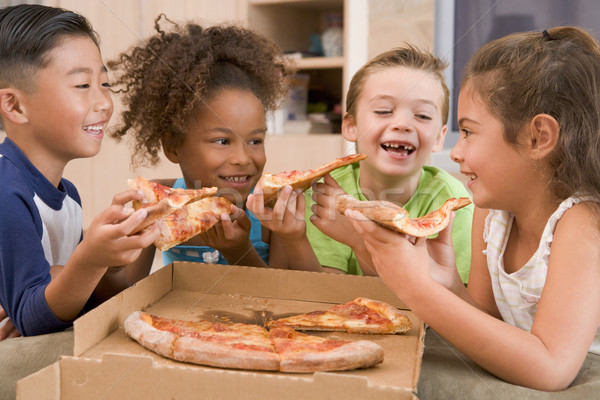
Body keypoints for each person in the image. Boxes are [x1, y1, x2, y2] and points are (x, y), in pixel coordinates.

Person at [345, 26, 600, 391]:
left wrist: (415, 288)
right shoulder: (492, 213)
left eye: (468, 132)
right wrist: (448, 284)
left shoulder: (581, 222)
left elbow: (551, 367)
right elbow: (487, 326)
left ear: (538, 137)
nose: (455, 152)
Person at [252, 46, 473, 279]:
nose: (403, 124)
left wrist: (358, 240)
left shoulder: (452, 205)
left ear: (440, 137)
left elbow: (446, 305)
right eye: (384, 110)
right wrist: (293, 237)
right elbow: (324, 300)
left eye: (423, 116)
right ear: (351, 126)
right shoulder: (324, 196)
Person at [109, 15, 307, 270]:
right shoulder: (159, 202)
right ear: (173, 147)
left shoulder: (274, 210)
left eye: (255, 140)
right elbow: (126, 292)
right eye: (223, 141)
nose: (243, 158)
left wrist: (239, 251)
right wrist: (112, 257)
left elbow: (284, 300)